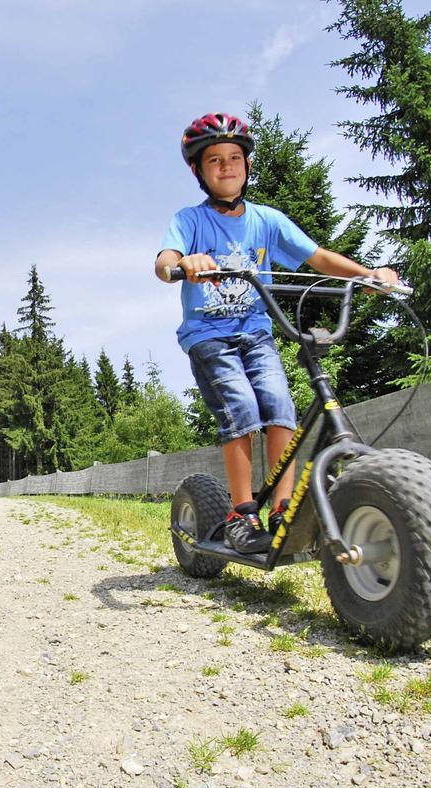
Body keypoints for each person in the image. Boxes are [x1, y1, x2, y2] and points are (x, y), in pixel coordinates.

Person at [154, 112, 401, 554]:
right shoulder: (191, 220)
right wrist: (184, 264)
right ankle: (242, 513)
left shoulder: (267, 220)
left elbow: (318, 258)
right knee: (242, 407)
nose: (226, 166)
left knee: (279, 405)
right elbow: (164, 260)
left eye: (234, 157)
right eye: (214, 160)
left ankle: (282, 507)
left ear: (247, 165)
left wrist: (369, 275)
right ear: (199, 171)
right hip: (209, 336)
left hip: (256, 332)